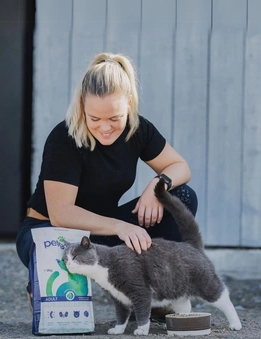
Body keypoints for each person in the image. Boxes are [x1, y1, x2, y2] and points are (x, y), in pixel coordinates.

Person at [16, 52, 198, 307]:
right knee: (58, 257)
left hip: (100, 234)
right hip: (49, 231)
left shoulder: (139, 130)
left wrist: (157, 186)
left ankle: (157, 296)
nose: (104, 127)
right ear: (82, 105)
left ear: (130, 104)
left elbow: (180, 167)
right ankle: (40, 278)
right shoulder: (64, 138)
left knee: (183, 196)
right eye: (94, 119)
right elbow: (61, 214)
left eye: (115, 118)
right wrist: (120, 227)